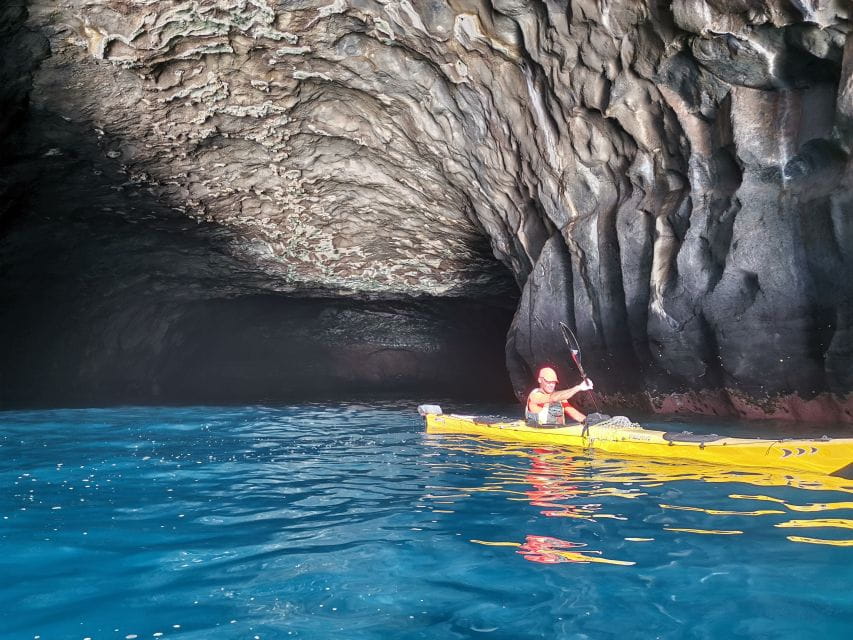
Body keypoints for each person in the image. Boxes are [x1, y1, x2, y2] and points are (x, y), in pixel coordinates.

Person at [526, 366, 593, 426]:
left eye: (553, 382)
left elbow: (575, 414)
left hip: (557, 434)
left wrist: (589, 422)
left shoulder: (560, 397)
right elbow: (553, 398)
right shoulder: (534, 395)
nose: (551, 385)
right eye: (548, 382)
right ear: (540, 380)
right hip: (540, 434)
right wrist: (579, 387)